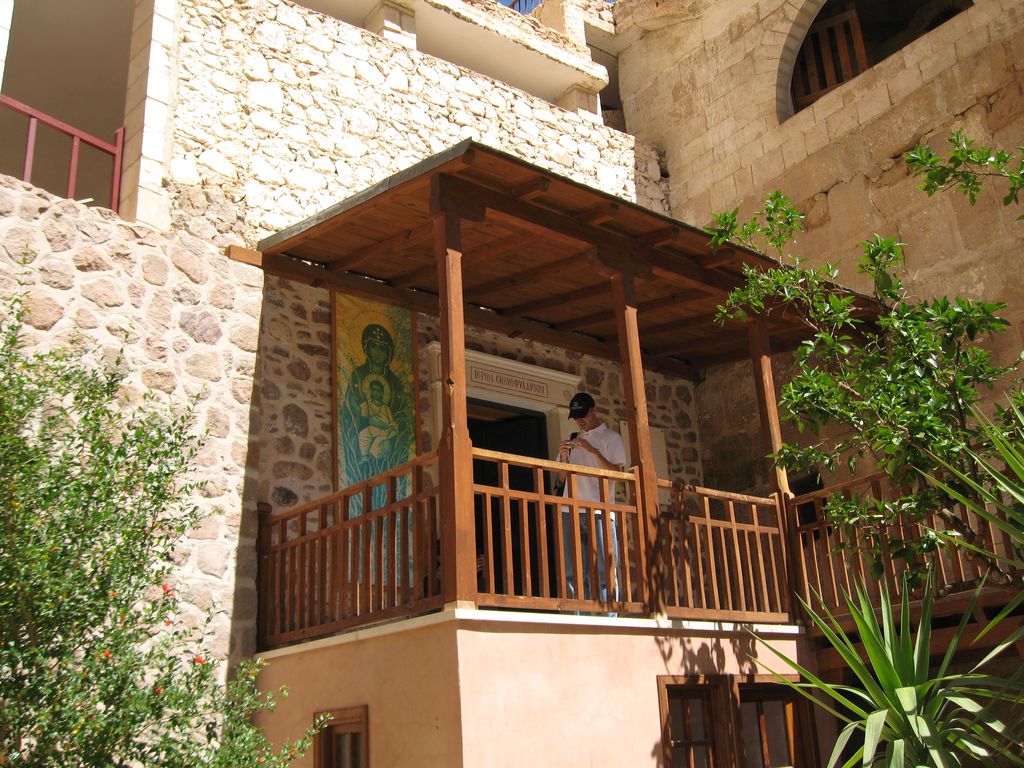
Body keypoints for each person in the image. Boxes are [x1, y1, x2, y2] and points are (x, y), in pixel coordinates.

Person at [556, 392, 626, 603]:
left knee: (605, 568)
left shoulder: (611, 438)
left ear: (595, 411)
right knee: (572, 570)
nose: (579, 421)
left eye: (583, 415)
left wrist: (592, 451)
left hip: (600, 510)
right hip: (570, 510)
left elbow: (618, 475)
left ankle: (609, 614)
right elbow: (560, 479)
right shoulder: (572, 439)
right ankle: (576, 614)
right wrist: (564, 458)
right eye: (576, 417)